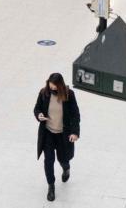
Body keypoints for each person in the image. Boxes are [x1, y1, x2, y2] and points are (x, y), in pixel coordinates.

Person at [34, 73, 80, 203]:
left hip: (63, 134)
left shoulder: (68, 95)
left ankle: (66, 168)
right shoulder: (44, 93)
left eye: (54, 85)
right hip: (48, 133)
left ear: (60, 84)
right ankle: (51, 186)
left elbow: (75, 115)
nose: (52, 87)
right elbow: (37, 108)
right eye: (50, 84)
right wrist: (39, 115)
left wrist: (75, 132)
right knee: (48, 160)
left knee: (63, 159)